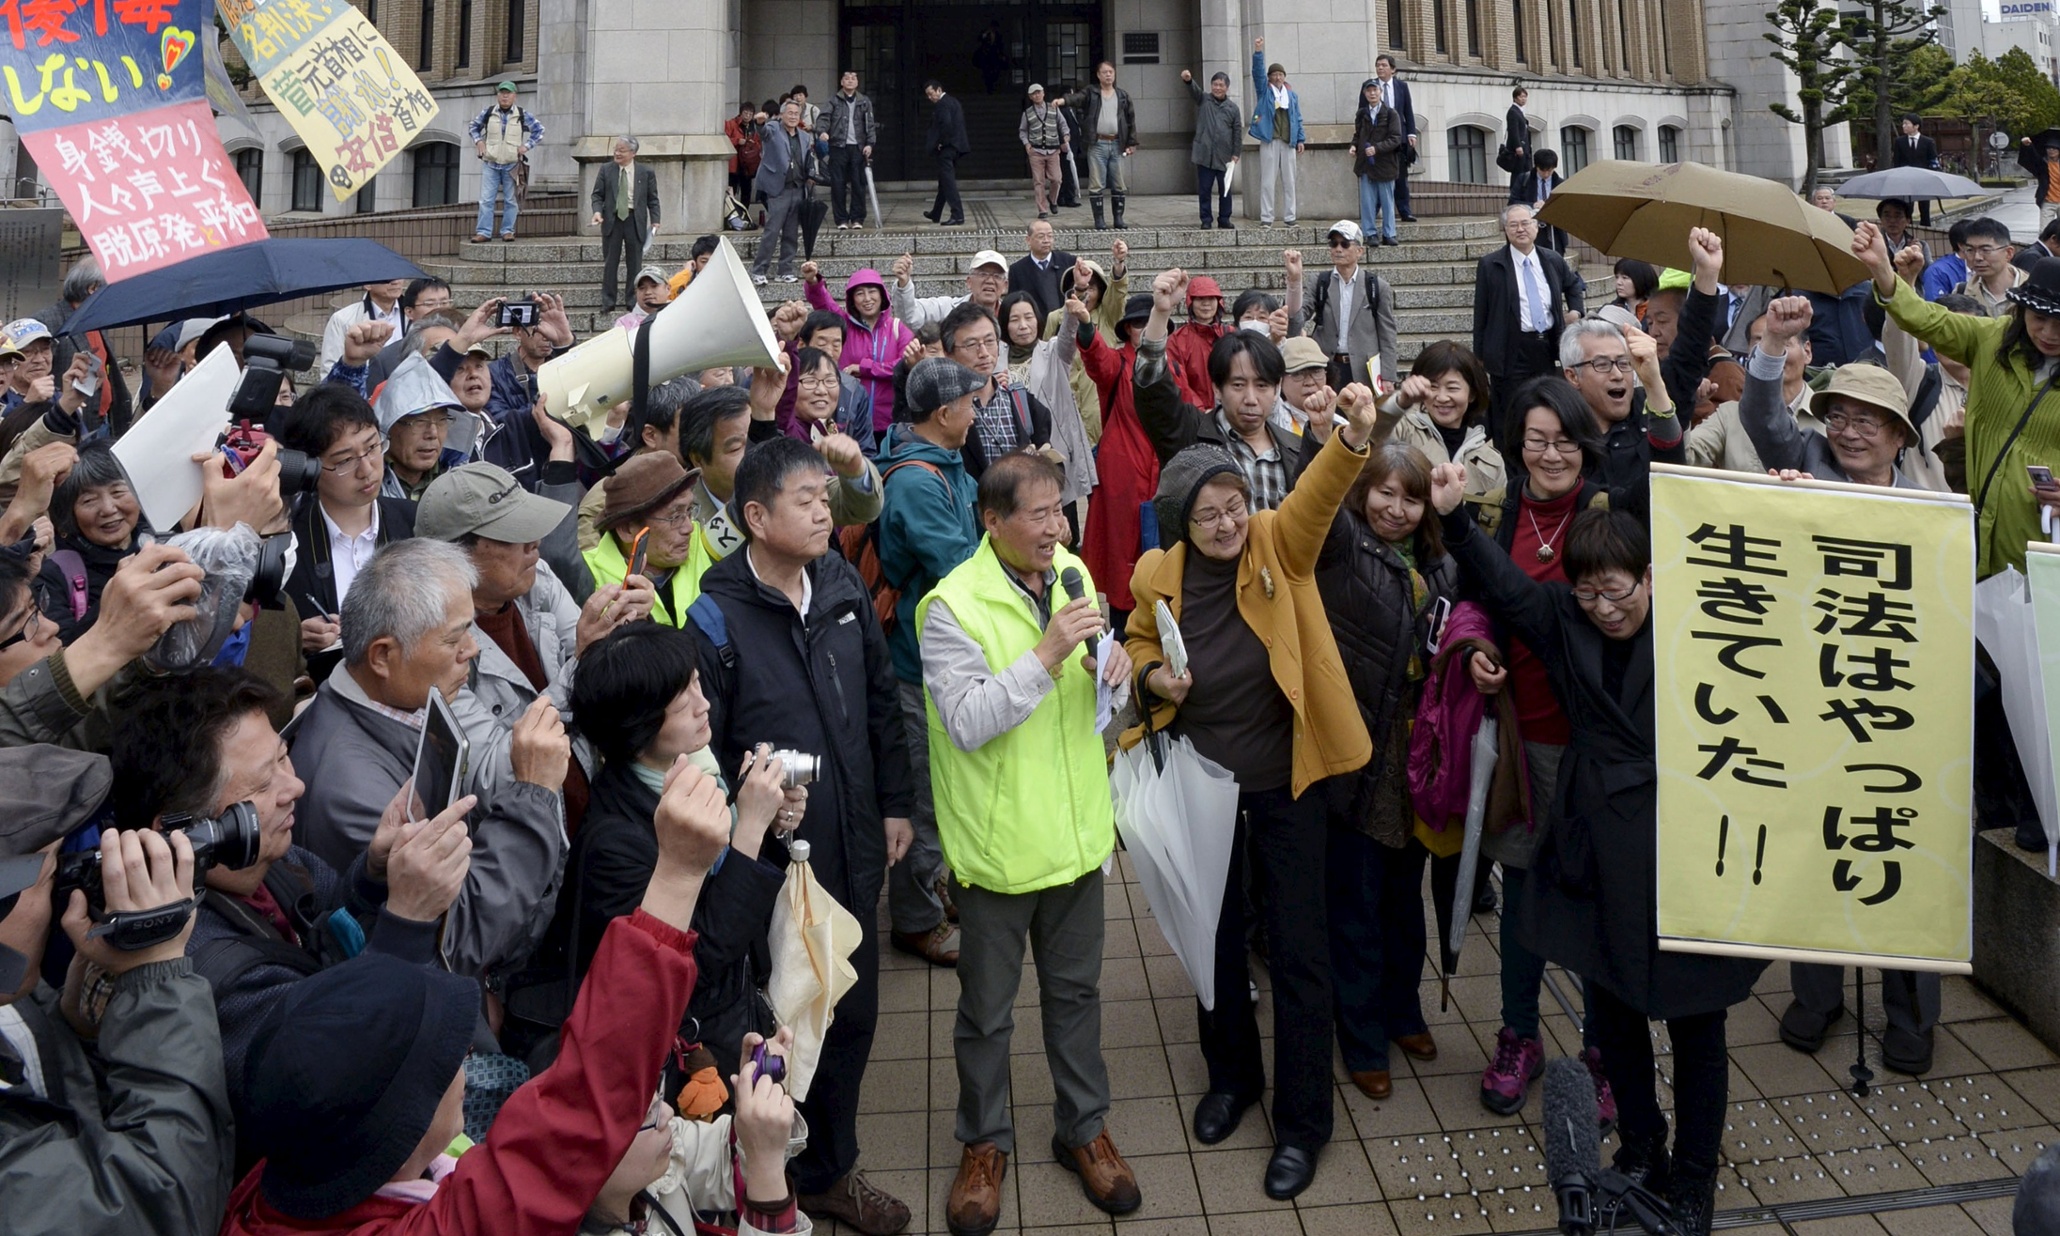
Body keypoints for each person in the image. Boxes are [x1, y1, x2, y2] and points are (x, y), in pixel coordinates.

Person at [219, 748, 742, 1236]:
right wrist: (677, 875)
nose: (463, 1061)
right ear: (402, 1129)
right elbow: (583, 1102)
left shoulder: (296, 1173)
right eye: (445, 1058)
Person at [1431, 491, 1763, 1236]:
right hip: (1593, 838)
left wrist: (1787, 508)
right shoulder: (1562, 620)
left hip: (1684, 837)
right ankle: (1643, 1146)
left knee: (1697, 1023)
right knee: (1611, 1010)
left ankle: (1695, 1180)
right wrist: (1455, 518)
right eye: (1587, 590)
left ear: (1651, 577)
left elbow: (1779, 604)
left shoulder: (1698, 620)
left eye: (1617, 589)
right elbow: (1510, 589)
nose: (1603, 607)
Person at [1121, 382, 1391, 1201]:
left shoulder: (1279, 543)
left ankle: (1302, 1121)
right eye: (1208, 514)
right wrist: (1151, 675)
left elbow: (1315, 497)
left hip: (1287, 783)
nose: (1227, 523)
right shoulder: (1154, 575)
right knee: (1213, 941)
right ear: (1180, 523)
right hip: (1203, 788)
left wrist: (1348, 439)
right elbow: (1134, 649)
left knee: (1300, 949)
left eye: (1234, 504)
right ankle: (1232, 1080)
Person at [691, 436, 915, 1235]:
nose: (826, 511)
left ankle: (827, 1171)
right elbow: (704, 750)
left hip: (852, 844)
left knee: (851, 1011)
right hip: (768, 866)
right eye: (806, 500)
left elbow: (880, 700)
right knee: (777, 1019)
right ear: (755, 516)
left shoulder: (841, 581)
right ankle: (762, 1174)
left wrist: (896, 803)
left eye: (827, 497)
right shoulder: (715, 611)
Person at [109, 669, 472, 1146]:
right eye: (262, 785)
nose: (294, 786)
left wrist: (374, 874)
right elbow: (333, 1080)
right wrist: (407, 923)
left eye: (284, 756)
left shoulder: (275, 862)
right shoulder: (195, 967)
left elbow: (325, 922)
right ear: (181, 831)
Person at [923, 453, 1141, 1233]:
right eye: (1039, 514)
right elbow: (971, 722)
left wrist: (1111, 668)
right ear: (992, 520)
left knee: (1077, 998)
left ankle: (1083, 1129)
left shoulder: (1073, 575)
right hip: (997, 854)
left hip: (1079, 840)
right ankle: (984, 1144)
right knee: (986, 1013)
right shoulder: (950, 606)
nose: (1058, 527)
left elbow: (1096, 704)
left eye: (1060, 512)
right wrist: (1048, 654)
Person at [289, 538, 573, 981]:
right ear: (382, 655)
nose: (473, 650)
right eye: (453, 638)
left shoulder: (400, 701)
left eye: (470, 629)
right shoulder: (350, 793)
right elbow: (456, 941)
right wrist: (532, 794)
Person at [0, 748, 235, 1236]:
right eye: (48, 880)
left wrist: (78, 1026)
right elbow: (164, 1202)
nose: (63, 893)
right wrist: (159, 976)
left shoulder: (13, 1005)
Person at [1468, 377, 1615, 1120]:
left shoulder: (1610, 506)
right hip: (1519, 733)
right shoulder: (1499, 510)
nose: (1551, 453)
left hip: (1590, 741)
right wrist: (1476, 649)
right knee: (1523, 895)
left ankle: (1602, 1050)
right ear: (1514, 442)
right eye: (1536, 439)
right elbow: (1475, 600)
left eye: (1563, 439)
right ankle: (1518, 1035)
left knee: (1593, 898)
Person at [559, 621, 793, 1067]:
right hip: (687, 1053)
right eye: (683, 701)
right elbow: (698, 965)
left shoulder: (696, 765)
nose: (704, 705)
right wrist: (749, 827)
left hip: (738, 1011)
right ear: (638, 724)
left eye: (698, 684)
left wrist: (771, 821)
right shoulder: (613, 843)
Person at [1314, 440, 1458, 1101]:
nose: (1395, 509)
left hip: (1417, 749)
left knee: (1406, 897)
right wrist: (1357, 430)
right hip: (1357, 749)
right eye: (1384, 492)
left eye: (1411, 497)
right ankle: (1362, 1036)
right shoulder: (1340, 545)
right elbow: (1319, 494)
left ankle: (1404, 1014)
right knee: (1357, 903)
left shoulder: (1439, 561)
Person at [1855, 224, 2060, 579]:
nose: (2048, 334)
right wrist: (1884, 273)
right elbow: (1929, 320)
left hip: (2044, 541)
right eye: (2039, 318)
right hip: (1975, 532)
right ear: (2022, 311)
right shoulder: (1992, 339)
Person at [875, 357, 986, 971]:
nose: (977, 411)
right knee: (920, 789)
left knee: (940, 782)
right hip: (914, 660)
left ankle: (934, 885)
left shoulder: (941, 462)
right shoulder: (918, 481)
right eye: (970, 402)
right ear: (944, 414)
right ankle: (915, 920)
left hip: (936, 654)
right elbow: (959, 565)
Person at [277, 384, 419, 676]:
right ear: (310, 469)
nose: (366, 469)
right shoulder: (286, 547)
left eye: (372, 447)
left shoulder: (416, 523)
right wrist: (294, 637)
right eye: (344, 461)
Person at [1136, 271, 1307, 508]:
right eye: (1238, 385)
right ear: (1217, 387)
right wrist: (1160, 314)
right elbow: (1154, 390)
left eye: (1261, 385)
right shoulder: (1191, 437)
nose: (1250, 399)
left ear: (1277, 389)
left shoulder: (1295, 449)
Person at [1077, 294, 1160, 626]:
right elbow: (1096, 359)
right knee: (1122, 555)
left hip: (1162, 472)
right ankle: (1124, 632)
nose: (1145, 328)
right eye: (1138, 323)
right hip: (1123, 475)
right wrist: (1085, 326)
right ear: (1127, 330)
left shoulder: (1175, 365)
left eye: (1150, 321)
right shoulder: (1118, 363)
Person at [1473, 204, 1584, 436]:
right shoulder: (1490, 264)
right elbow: (1481, 312)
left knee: (1544, 402)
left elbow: (1573, 284)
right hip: (1509, 347)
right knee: (1510, 411)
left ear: (1536, 227)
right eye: (1513, 225)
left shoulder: (1551, 259)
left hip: (1545, 346)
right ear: (1505, 229)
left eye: (1526, 223)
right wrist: (1480, 355)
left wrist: (1576, 311)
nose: (1520, 229)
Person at [1385, 341, 1506, 530]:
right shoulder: (1403, 430)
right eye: (1433, 387)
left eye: (1452, 388)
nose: (1441, 397)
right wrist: (1400, 402)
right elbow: (1370, 438)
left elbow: (1498, 520)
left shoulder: (1491, 459)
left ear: (1472, 394)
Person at [35, 443, 142, 644]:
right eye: (89, 500)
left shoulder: (162, 545)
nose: (108, 509)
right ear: (70, 514)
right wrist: (114, 596)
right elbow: (60, 653)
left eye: (118, 492)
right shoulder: (53, 575)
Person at [941, 302, 1056, 479]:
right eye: (971, 345)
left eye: (989, 341)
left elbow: (1053, 465)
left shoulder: (1023, 403)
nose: (984, 353)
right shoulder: (943, 413)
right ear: (948, 354)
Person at [1287, 227, 1400, 391]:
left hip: (1363, 371)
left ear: (1359, 251)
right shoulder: (1320, 282)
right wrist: (1294, 282)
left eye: (1345, 244)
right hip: (1326, 366)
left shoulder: (1376, 286)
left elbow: (1387, 333)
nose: (1338, 249)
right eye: (1334, 244)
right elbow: (1297, 320)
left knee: (1360, 415)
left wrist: (1388, 375)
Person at [806, 266, 913, 432]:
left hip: (890, 422)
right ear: (852, 299)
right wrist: (813, 282)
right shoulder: (844, 324)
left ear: (882, 295)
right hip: (849, 420)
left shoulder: (897, 328)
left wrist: (865, 368)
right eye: (860, 293)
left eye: (872, 291)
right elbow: (823, 302)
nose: (867, 298)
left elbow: (904, 365)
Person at [375, 354, 468, 503]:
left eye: (441, 420)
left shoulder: (462, 478)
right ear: (389, 425)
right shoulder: (366, 483)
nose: (433, 433)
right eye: (419, 421)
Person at [1062, 64, 1137, 230]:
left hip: (1117, 143)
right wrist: (1063, 100)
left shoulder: (1122, 96)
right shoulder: (1092, 93)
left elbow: (1130, 120)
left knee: (1118, 182)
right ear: (1098, 75)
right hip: (1098, 143)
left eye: (1111, 72)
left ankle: (1118, 218)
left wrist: (1131, 143)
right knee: (1096, 183)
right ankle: (1099, 220)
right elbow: (1077, 99)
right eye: (1104, 72)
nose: (1108, 75)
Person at [592, 136, 662, 312]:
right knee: (610, 262)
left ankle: (632, 301)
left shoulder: (645, 172)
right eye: (616, 149)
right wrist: (597, 212)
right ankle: (608, 301)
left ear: (633, 153)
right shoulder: (606, 170)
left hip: (634, 220)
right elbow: (597, 195)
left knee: (635, 263)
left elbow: (653, 199)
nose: (617, 153)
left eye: (621, 150)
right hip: (612, 220)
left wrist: (655, 220)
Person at [469, 82, 543, 242]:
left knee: (511, 200)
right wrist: (479, 141)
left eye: (508, 93)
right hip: (491, 163)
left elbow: (539, 130)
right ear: (497, 95)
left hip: (512, 164)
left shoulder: (522, 114)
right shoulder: (488, 112)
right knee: (486, 200)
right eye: (502, 93)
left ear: (514, 96)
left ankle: (507, 231)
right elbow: (473, 127)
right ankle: (483, 232)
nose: (505, 96)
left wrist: (526, 146)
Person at [753, 102, 812, 286]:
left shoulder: (804, 136)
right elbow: (763, 133)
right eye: (790, 113)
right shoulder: (773, 128)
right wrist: (760, 123)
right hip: (778, 188)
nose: (793, 116)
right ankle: (759, 270)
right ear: (782, 114)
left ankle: (785, 270)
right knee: (772, 230)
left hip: (798, 187)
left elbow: (807, 159)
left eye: (796, 113)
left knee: (791, 232)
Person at [1179, 67, 1243, 230]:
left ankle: (1224, 218)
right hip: (1204, 155)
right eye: (1215, 84)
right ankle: (1206, 219)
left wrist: (1236, 153)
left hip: (1225, 157)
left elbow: (1237, 132)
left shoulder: (1233, 109)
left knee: (1225, 190)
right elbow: (1194, 90)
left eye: (1221, 85)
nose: (1217, 88)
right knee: (1205, 190)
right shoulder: (1204, 100)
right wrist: (1188, 80)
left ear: (1226, 87)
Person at [890, 246, 1009, 332]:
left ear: (1005, 286)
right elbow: (911, 319)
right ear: (969, 282)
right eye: (983, 274)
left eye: (997, 276)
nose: (989, 281)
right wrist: (904, 284)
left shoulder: (1012, 316)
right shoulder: (947, 308)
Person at [1352, 77, 1405, 246]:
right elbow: (1357, 134)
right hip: (1366, 164)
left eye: (1375, 90)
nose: (1372, 93)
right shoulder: (1362, 114)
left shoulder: (1391, 114)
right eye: (1369, 91)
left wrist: (1377, 148)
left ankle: (1389, 233)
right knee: (1367, 201)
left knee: (1387, 201)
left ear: (1380, 92)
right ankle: (1370, 233)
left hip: (1386, 164)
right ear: (1364, 93)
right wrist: (1354, 146)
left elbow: (1396, 138)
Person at [316, 279, 408, 377]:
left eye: (399, 277)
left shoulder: (415, 315)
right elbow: (329, 370)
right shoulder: (342, 319)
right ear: (368, 284)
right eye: (388, 278)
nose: (396, 282)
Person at [1165, 274, 1230, 408]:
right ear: (1190, 302)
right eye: (1200, 299)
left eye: (1211, 298)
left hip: (1230, 412)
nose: (1206, 304)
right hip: (1193, 415)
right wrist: (1199, 410)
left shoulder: (1230, 334)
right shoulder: (1177, 340)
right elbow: (1177, 380)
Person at [825, 70, 876, 230]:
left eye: (853, 78)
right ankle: (841, 220)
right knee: (838, 184)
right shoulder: (834, 100)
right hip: (838, 146)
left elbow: (870, 124)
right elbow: (824, 118)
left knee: (859, 184)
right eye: (847, 78)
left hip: (858, 148)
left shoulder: (864, 101)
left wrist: (870, 143)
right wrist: (822, 132)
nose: (850, 80)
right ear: (841, 82)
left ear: (857, 83)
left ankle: (857, 218)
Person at [1007, 220, 1078, 324]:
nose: (1046, 240)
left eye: (1050, 236)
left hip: (1064, 325)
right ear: (1028, 240)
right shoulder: (1017, 269)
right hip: (1035, 327)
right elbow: (1013, 303)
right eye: (1041, 236)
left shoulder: (1068, 261)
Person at [1951, 217, 2025, 316]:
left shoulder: (2033, 291)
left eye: (1985, 250)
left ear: (2008, 253)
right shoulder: (1961, 292)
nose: (1977, 257)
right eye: (1970, 250)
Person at [1375, 54, 1418, 221]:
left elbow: (1408, 110)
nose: (1380, 68)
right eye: (1378, 65)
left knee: (1400, 176)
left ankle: (1404, 210)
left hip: (1398, 137)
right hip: (1378, 139)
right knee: (1378, 176)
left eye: (1384, 65)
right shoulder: (1370, 86)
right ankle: (1376, 210)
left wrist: (1411, 133)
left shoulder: (1401, 86)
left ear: (1392, 69)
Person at [1019, 85, 1071, 221]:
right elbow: (1023, 130)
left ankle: (1052, 199)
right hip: (1036, 150)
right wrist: (1027, 144)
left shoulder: (1054, 108)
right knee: (1038, 181)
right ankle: (1042, 209)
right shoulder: (1027, 113)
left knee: (1056, 179)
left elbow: (1062, 124)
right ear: (1030, 97)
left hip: (1053, 149)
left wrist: (1066, 135)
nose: (1036, 95)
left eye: (1039, 92)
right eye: (1033, 94)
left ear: (1043, 93)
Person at [923, 80, 970, 227]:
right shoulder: (953, 101)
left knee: (948, 182)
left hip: (947, 147)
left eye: (931, 94)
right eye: (927, 95)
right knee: (944, 181)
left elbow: (946, 125)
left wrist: (940, 143)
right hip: (957, 146)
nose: (930, 97)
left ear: (938, 90)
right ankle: (936, 212)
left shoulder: (942, 104)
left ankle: (958, 215)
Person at [1509, 150, 1567, 254]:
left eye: (1549, 170)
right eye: (1542, 170)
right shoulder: (1524, 180)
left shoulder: (1560, 183)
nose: (1546, 174)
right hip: (1530, 226)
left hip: (1553, 231)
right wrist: (1532, 205)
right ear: (1536, 166)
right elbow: (1512, 202)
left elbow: (1566, 207)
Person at [1890, 114, 1937, 224]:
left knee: (1924, 208)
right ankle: (1907, 230)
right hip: (1906, 180)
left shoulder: (1928, 142)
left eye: (1906, 124)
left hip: (1923, 180)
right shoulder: (1899, 142)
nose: (1903, 126)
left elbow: (1933, 161)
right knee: (1907, 208)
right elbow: (1896, 162)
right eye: (1903, 124)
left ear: (1916, 126)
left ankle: (1926, 229)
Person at [726, 99, 766, 204]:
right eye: (745, 113)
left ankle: (745, 216)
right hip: (734, 163)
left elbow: (760, 143)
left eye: (750, 114)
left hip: (748, 164)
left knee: (746, 191)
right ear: (741, 113)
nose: (747, 116)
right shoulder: (731, 124)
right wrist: (737, 141)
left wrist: (752, 144)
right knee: (731, 191)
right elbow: (725, 140)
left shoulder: (755, 127)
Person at [615, 265, 673, 332]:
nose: (648, 292)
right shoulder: (623, 325)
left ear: (668, 289)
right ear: (636, 292)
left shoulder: (678, 317)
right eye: (642, 288)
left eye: (654, 286)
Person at [1503, 85, 1530, 192]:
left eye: (1525, 97)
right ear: (1515, 98)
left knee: (1525, 171)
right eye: (1521, 97)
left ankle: (1524, 191)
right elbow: (1513, 131)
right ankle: (1516, 192)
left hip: (1525, 148)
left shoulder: (1520, 111)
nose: (1523, 99)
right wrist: (1518, 146)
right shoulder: (1513, 112)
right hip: (1519, 150)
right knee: (1518, 172)